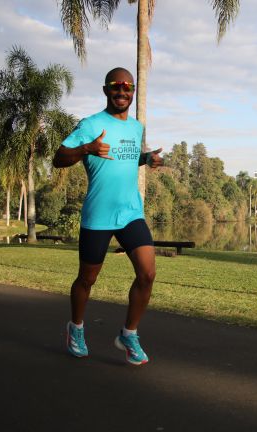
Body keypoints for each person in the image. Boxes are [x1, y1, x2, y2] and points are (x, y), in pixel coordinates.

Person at [53, 67, 163, 365]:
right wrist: (87, 148)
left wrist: (147, 158)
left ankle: (128, 334)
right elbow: (59, 157)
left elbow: (125, 159)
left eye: (128, 87)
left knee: (148, 274)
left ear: (133, 92)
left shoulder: (136, 128)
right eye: (116, 87)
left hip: (130, 213)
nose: (122, 92)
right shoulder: (91, 124)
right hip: (98, 214)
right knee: (87, 280)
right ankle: (75, 328)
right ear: (106, 90)